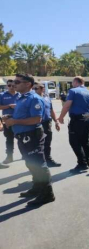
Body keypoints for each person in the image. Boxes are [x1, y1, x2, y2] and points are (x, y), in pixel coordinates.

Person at [3, 73, 55, 205]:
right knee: (30, 163)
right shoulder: (21, 98)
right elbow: (21, 115)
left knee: (39, 165)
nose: (14, 84)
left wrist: (14, 121)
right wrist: (10, 117)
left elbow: (37, 119)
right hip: (23, 136)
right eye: (14, 81)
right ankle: (37, 188)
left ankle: (47, 193)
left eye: (17, 82)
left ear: (28, 84)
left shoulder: (34, 98)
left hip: (31, 135)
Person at [57, 76, 89, 173]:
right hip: (88, 117)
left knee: (74, 141)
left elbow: (67, 105)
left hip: (78, 119)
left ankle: (82, 163)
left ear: (76, 82)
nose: (72, 84)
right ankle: (87, 161)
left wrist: (61, 117)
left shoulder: (73, 91)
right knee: (85, 140)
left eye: (72, 82)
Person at [33, 82, 62, 167]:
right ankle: (38, 162)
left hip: (47, 123)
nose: (34, 90)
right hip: (36, 124)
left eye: (36, 88)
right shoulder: (33, 98)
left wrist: (56, 121)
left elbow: (51, 110)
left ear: (42, 89)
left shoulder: (47, 98)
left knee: (47, 143)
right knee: (37, 144)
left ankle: (48, 160)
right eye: (33, 88)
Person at [0, 79, 19, 164]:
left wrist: (17, 106)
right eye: (9, 85)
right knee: (9, 139)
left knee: (22, 138)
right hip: (7, 120)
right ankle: (9, 156)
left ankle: (26, 155)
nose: (11, 87)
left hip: (19, 120)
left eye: (13, 86)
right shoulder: (2, 95)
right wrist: (8, 106)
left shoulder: (20, 94)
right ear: (7, 86)